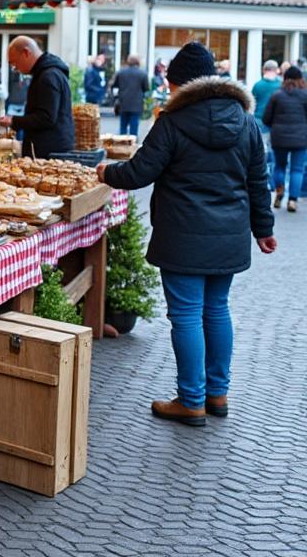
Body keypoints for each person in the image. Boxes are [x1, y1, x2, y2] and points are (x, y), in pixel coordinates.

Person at [99, 42, 275, 426]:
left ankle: (191, 400)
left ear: (180, 83)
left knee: (187, 316)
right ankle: (218, 394)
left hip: (182, 235)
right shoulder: (246, 122)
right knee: (216, 310)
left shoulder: (173, 121)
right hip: (228, 235)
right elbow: (258, 181)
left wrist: (104, 172)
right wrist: (264, 230)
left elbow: (138, 173)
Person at [0, 37, 74, 158]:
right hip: (50, 147)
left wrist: (14, 121)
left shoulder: (48, 76)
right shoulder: (46, 73)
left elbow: (46, 117)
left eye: (14, 63)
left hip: (49, 152)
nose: (15, 69)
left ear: (26, 53)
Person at [262, 66, 307, 212]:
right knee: (297, 169)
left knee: (279, 166)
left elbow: (266, 118)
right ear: (301, 79)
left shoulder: (276, 95)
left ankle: (279, 192)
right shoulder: (305, 95)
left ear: (285, 78)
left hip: (279, 138)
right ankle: (292, 200)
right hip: (300, 138)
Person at [251, 60, 282, 189]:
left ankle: (265, 180)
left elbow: (252, 103)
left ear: (264, 69)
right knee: (274, 151)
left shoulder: (258, 85)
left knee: (262, 151)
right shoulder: (281, 85)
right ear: (276, 69)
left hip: (260, 119)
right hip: (276, 121)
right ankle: (274, 183)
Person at [110, 55, 149, 137]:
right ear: (138, 62)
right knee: (134, 129)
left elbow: (114, 86)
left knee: (123, 127)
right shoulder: (143, 73)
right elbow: (146, 89)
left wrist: (115, 97)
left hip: (123, 103)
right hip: (136, 104)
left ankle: (122, 144)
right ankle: (132, 146)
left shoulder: (121, 72)